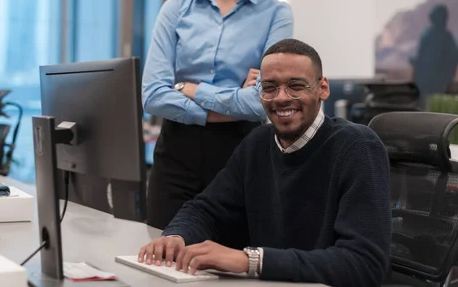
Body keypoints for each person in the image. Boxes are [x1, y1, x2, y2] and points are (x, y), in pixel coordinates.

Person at [138, 39, 391, 287]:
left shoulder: (357, 146)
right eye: (269, 87)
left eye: (296, 85)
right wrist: (175, 236)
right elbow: (207, 209)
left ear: (322, 88)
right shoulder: (257, 143)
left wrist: (251, 261)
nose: (281, 98)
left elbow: (364, 264)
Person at [142, 0, 293, 230]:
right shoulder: (177, 7)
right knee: (162, 258)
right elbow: (152, 95)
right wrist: (233, 99)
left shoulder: (276, 14)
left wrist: (189, 88)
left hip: (242, 155)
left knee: (229, 268)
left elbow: (261, 105)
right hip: (175, 159)